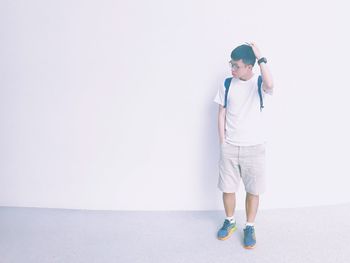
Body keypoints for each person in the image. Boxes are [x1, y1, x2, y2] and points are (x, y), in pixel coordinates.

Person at [213, 42, 274, 249]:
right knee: (228, 188)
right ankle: (230, 221)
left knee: (253, 190)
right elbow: (221, 112)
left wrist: (261, 57)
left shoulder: (258, 82)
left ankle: (249, 226)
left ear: (249, 66)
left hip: (254, 147)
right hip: (230, 146)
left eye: (237, 66)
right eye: (231, 64)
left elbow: (271, 84)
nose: (232, 69)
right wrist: (222, 141)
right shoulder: (227, 83)